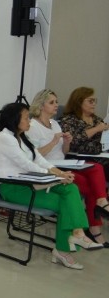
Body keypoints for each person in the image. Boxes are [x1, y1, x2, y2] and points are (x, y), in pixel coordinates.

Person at [0, 102, 101, 269]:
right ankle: (63, 250)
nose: (29, 121)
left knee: (71, 188)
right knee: (65, 203)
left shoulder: (21, 136)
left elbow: (39, 159)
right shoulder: (5, 138)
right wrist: (54, 176)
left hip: (31, 183)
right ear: (15, 120)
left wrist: (59, 173)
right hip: (13, 188)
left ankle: (77, 233)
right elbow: (26, 163)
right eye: (26, 118)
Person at [28, 89, 109, 246]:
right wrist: (53, 142)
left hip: (63, 164)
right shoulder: (33, 126)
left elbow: (64, 152)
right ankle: (95, 226)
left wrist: (66, 142)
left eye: (57, 102)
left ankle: (99, 209)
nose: (56, 105)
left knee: (97, 170)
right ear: (41, 105)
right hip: (49, 168)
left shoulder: (56, 124)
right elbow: (34, 156)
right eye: (52, 102)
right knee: (93, 185)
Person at [60, 86, 109, 178]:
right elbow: (72, 141)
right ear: (79, 102)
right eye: (90, 101)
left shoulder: (97, 120)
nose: (94, 104)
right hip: (80, 158)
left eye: (95, 101)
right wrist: (96, 129)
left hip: (101, 157)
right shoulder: (69, 120)